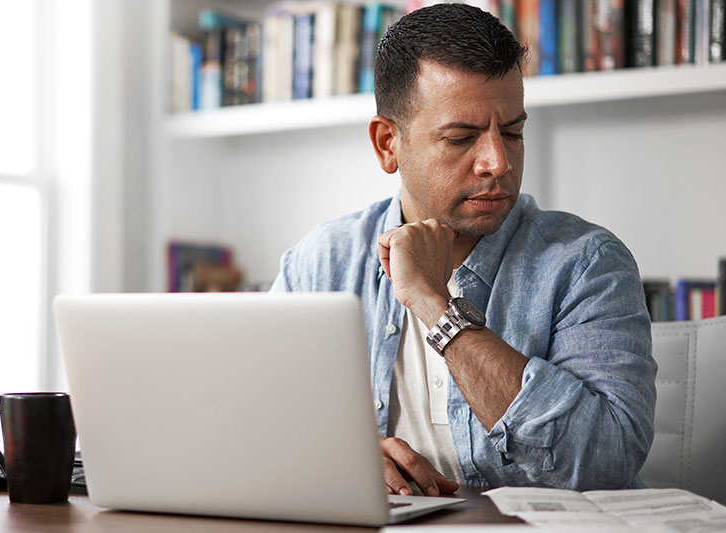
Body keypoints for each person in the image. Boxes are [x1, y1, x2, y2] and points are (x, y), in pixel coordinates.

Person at [270, 3, 656, 496]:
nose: (498, 162)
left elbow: (607, 461)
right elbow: (257, 419)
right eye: (460, 138)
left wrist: (436, 305)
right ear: (388, 143)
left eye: (512, 132)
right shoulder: (322, 262)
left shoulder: (586, 263)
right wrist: (339, 457)